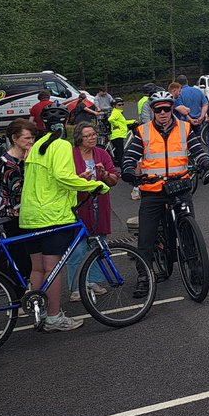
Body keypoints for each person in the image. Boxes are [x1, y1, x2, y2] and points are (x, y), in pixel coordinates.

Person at [19, 105, 110, 332]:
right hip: (51, 216)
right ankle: (53, 318)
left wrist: (75, 178)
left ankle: (36, 310)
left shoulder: (38, 144)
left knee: (38, 269)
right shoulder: (59, 145)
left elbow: (50, 179)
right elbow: (61, 176)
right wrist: (94, 184)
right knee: (54, 269)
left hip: (30, 215)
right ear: (66, 122)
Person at [120, 92, 209, 285]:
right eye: (158, 109)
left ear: (172, 109)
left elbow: (197, 150)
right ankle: (144, 276)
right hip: (153, 190)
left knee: (188, 232)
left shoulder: (184, 128)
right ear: (153, 111)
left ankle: (196, 271)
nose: (163, 113)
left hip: (179, 187)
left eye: (167, 108)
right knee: (146, 237)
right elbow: (130, 156)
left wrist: (206, 163)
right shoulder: (142, 131)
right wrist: (129, 169)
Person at [66, 121, 119, 299]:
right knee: (79, 248)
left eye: (94, 134)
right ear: (79, 138)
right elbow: (64, 179)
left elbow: (113, 180)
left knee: (98, 244)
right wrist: (79, 179)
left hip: (100, 204)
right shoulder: (70, 155)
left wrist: (104, 175)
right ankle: (75, 288)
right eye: (88, 135)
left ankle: (93, 281)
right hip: (79, 206)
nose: (92, 138)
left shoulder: (102, 154)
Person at [0, 118, 35, 277]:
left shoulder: (25, 158)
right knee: (21, 259)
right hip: (14, 215)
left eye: (32, 138)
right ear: (14, 139)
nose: (31, 141)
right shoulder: (7, 163)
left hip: (27, 213)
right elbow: (19, 191)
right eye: (27, 138)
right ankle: (20, 292)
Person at [107, 97, 129, 168]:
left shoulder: (118, 113)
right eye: (119, 105)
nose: (121, 106)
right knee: (120, 154)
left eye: (122, 104)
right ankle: (122, 169)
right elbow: (110, 119)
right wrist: (117, 124)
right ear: (115, 106)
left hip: (119, 135)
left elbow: (123, 122)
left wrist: (133, 121)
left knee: (119, 153)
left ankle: (119, 166)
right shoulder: (116, 112)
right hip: (117, 135)